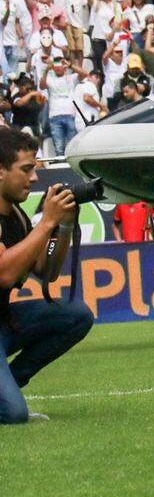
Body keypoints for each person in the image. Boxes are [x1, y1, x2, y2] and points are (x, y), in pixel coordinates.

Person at [0, 125, 92, 424]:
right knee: (13, 415)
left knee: (75, 314)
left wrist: (62, 226)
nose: (35, 178)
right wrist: (46, 223)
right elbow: (4, 275)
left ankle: (9, 384)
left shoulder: (16, 214)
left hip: (4, 322)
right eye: (26, 169)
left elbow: (46, 272)